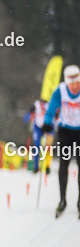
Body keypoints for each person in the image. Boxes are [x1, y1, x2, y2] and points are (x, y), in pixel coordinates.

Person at [41, 64, 80, 217]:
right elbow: (51, 108)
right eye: (72, 84)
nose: (75, 86)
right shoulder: (60, 90)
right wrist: (47, 122)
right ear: (67, 83)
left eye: (78, 83)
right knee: (64, 164)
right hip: (65, 131)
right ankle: (62, 200)